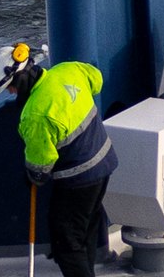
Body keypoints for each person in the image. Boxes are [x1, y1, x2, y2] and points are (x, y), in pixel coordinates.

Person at [18, 56, 119, 277]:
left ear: (21, 80)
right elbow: (97, 80)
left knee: (66, 243)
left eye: (11, 87)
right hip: (104, 163)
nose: (11, 93)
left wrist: (33, 174)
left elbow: (41, 163)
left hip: (78, 179)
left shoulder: (35, 114)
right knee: (86, 231)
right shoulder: (68, 70)